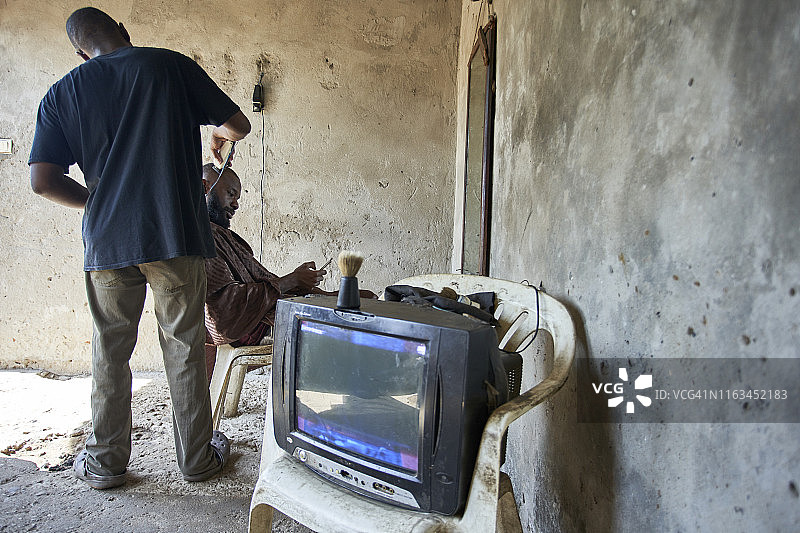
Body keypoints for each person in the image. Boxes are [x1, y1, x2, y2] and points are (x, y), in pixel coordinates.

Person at [28, 7, 250, 489]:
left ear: (81, 52)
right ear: (124, 34)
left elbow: (42, 181)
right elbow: (239, 126)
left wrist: (100, 203)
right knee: (185, 346)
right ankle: (197, 461)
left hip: (109, 240)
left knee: (110, 349)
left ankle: (106, 464)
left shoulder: (64, 91)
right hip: (176, 235)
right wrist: (216, 133)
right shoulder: (168, 65)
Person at [202, 164, 375, 370]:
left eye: (237, 197)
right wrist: (292, 280)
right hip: (251, 328)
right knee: (357, 317)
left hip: (265, 313)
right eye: (231, 194)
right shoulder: (202, 237)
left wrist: (299, 282)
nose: (236, 204)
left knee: (367, 299)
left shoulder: (218, 235)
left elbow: (254, 287)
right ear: (205, 187)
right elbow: (224, 311)